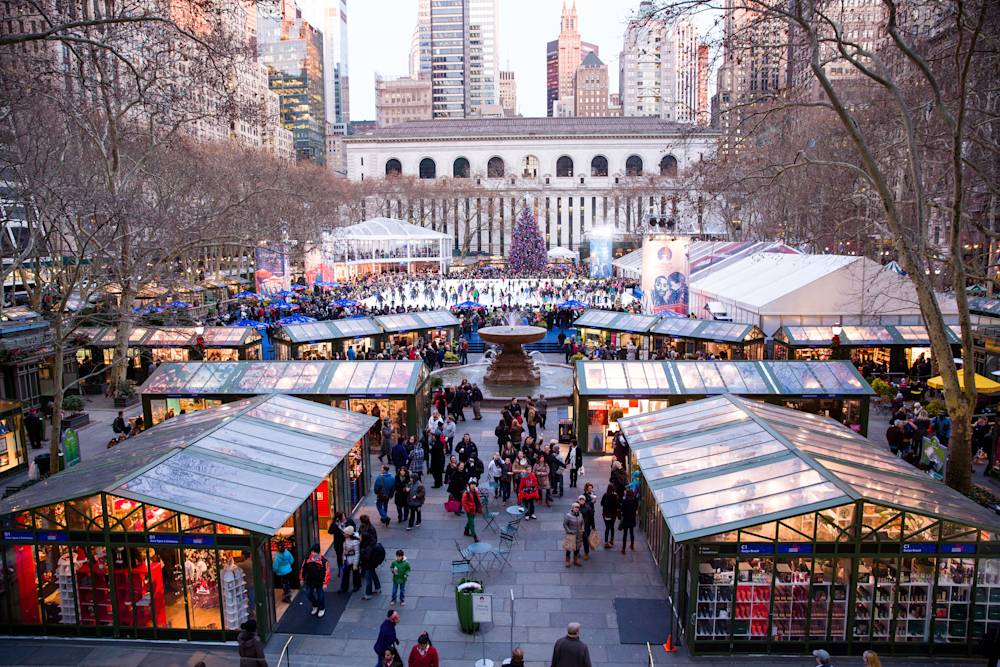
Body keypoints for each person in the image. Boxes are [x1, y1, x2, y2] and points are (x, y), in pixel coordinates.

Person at [299, 544, 330, 617]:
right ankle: (315, 605)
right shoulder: (307, 559)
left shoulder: (324, 561)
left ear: (318, 552)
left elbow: (327, 572)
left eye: (314, 552)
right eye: (312, 551)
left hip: (320, 582)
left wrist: (325, 583)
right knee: (308, 594)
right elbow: (303, 569)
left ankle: (321, 608)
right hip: (310, 581)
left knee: (320, 596)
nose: (312, 553)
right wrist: (301, 579)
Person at [359, 515, 383, 600]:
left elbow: (372, 544)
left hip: (369, 557)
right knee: (372, 572)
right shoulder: (367, 528)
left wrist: (365, 554)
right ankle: (378, 588)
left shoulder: (368, 530)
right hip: (370, 555)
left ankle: (368, 593)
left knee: (368, 575)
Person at [339, 526, 361, 593]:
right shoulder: (346, 539)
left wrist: (355, 564)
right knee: (345, 574)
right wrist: (344, 559)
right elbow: (344, 550)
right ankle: (344, 588)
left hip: (353, 559)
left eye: (345, 533)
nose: (343, 534)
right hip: (347, 559)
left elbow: (357, 553)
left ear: (349, 534)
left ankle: (356, 586)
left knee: (355, 574)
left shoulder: (355, 541)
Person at [563, 503, 584, 567]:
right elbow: (565, 524)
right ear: (572, 508)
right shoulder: (568, 515)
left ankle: (575, 560)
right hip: (571, 534)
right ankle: (567, 561)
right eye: (575, 507)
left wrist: (582, 529)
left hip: (578, 534)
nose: (577, 509)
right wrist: (569, 531)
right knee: (569, 548)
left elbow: (582, 522)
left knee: (577, 548)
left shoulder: (580, 515)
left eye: (578, 507)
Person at [577, 492, 595, 560]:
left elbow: (592, 517)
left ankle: (586, 553)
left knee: (585, 540)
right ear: (578, 500)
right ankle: (577, 552)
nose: (581, 501)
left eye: (583, 499)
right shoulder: (576, 506)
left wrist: (593, 526)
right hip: (578, 526)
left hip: (586, 526)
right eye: (580, 499)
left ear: (584, 500)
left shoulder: (588, 507)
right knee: (578, 540)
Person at [619, 489, 638, 553]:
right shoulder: (635, 501)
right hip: (632, 518)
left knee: (625, 534)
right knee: (631, 532)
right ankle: (632, 545)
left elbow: (622, 510)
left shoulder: (625, 501)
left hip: (626, 519)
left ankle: (623, 548)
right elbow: (636, 508)